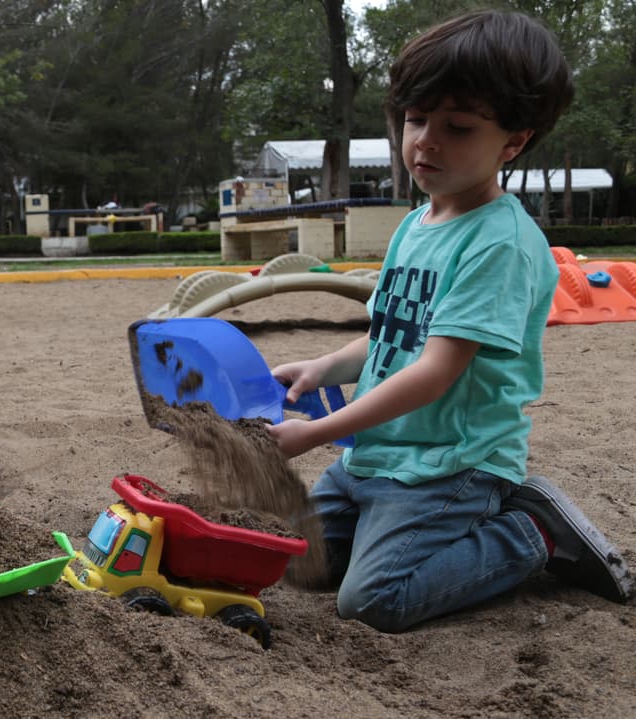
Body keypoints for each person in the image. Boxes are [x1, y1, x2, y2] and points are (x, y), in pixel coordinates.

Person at [266, 10, 632, 633]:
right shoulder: (418, 222)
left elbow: (436, 372)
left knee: (374, 601)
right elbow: (393, 334)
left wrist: (318, 430)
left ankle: (530, 530)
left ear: (513, 142)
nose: (425, 142)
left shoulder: (500, 244)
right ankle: (389, 533)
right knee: (296, 565)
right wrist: (326, 365)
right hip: (376, 455)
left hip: (449, 465)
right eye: (415, 119)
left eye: (457, 127)